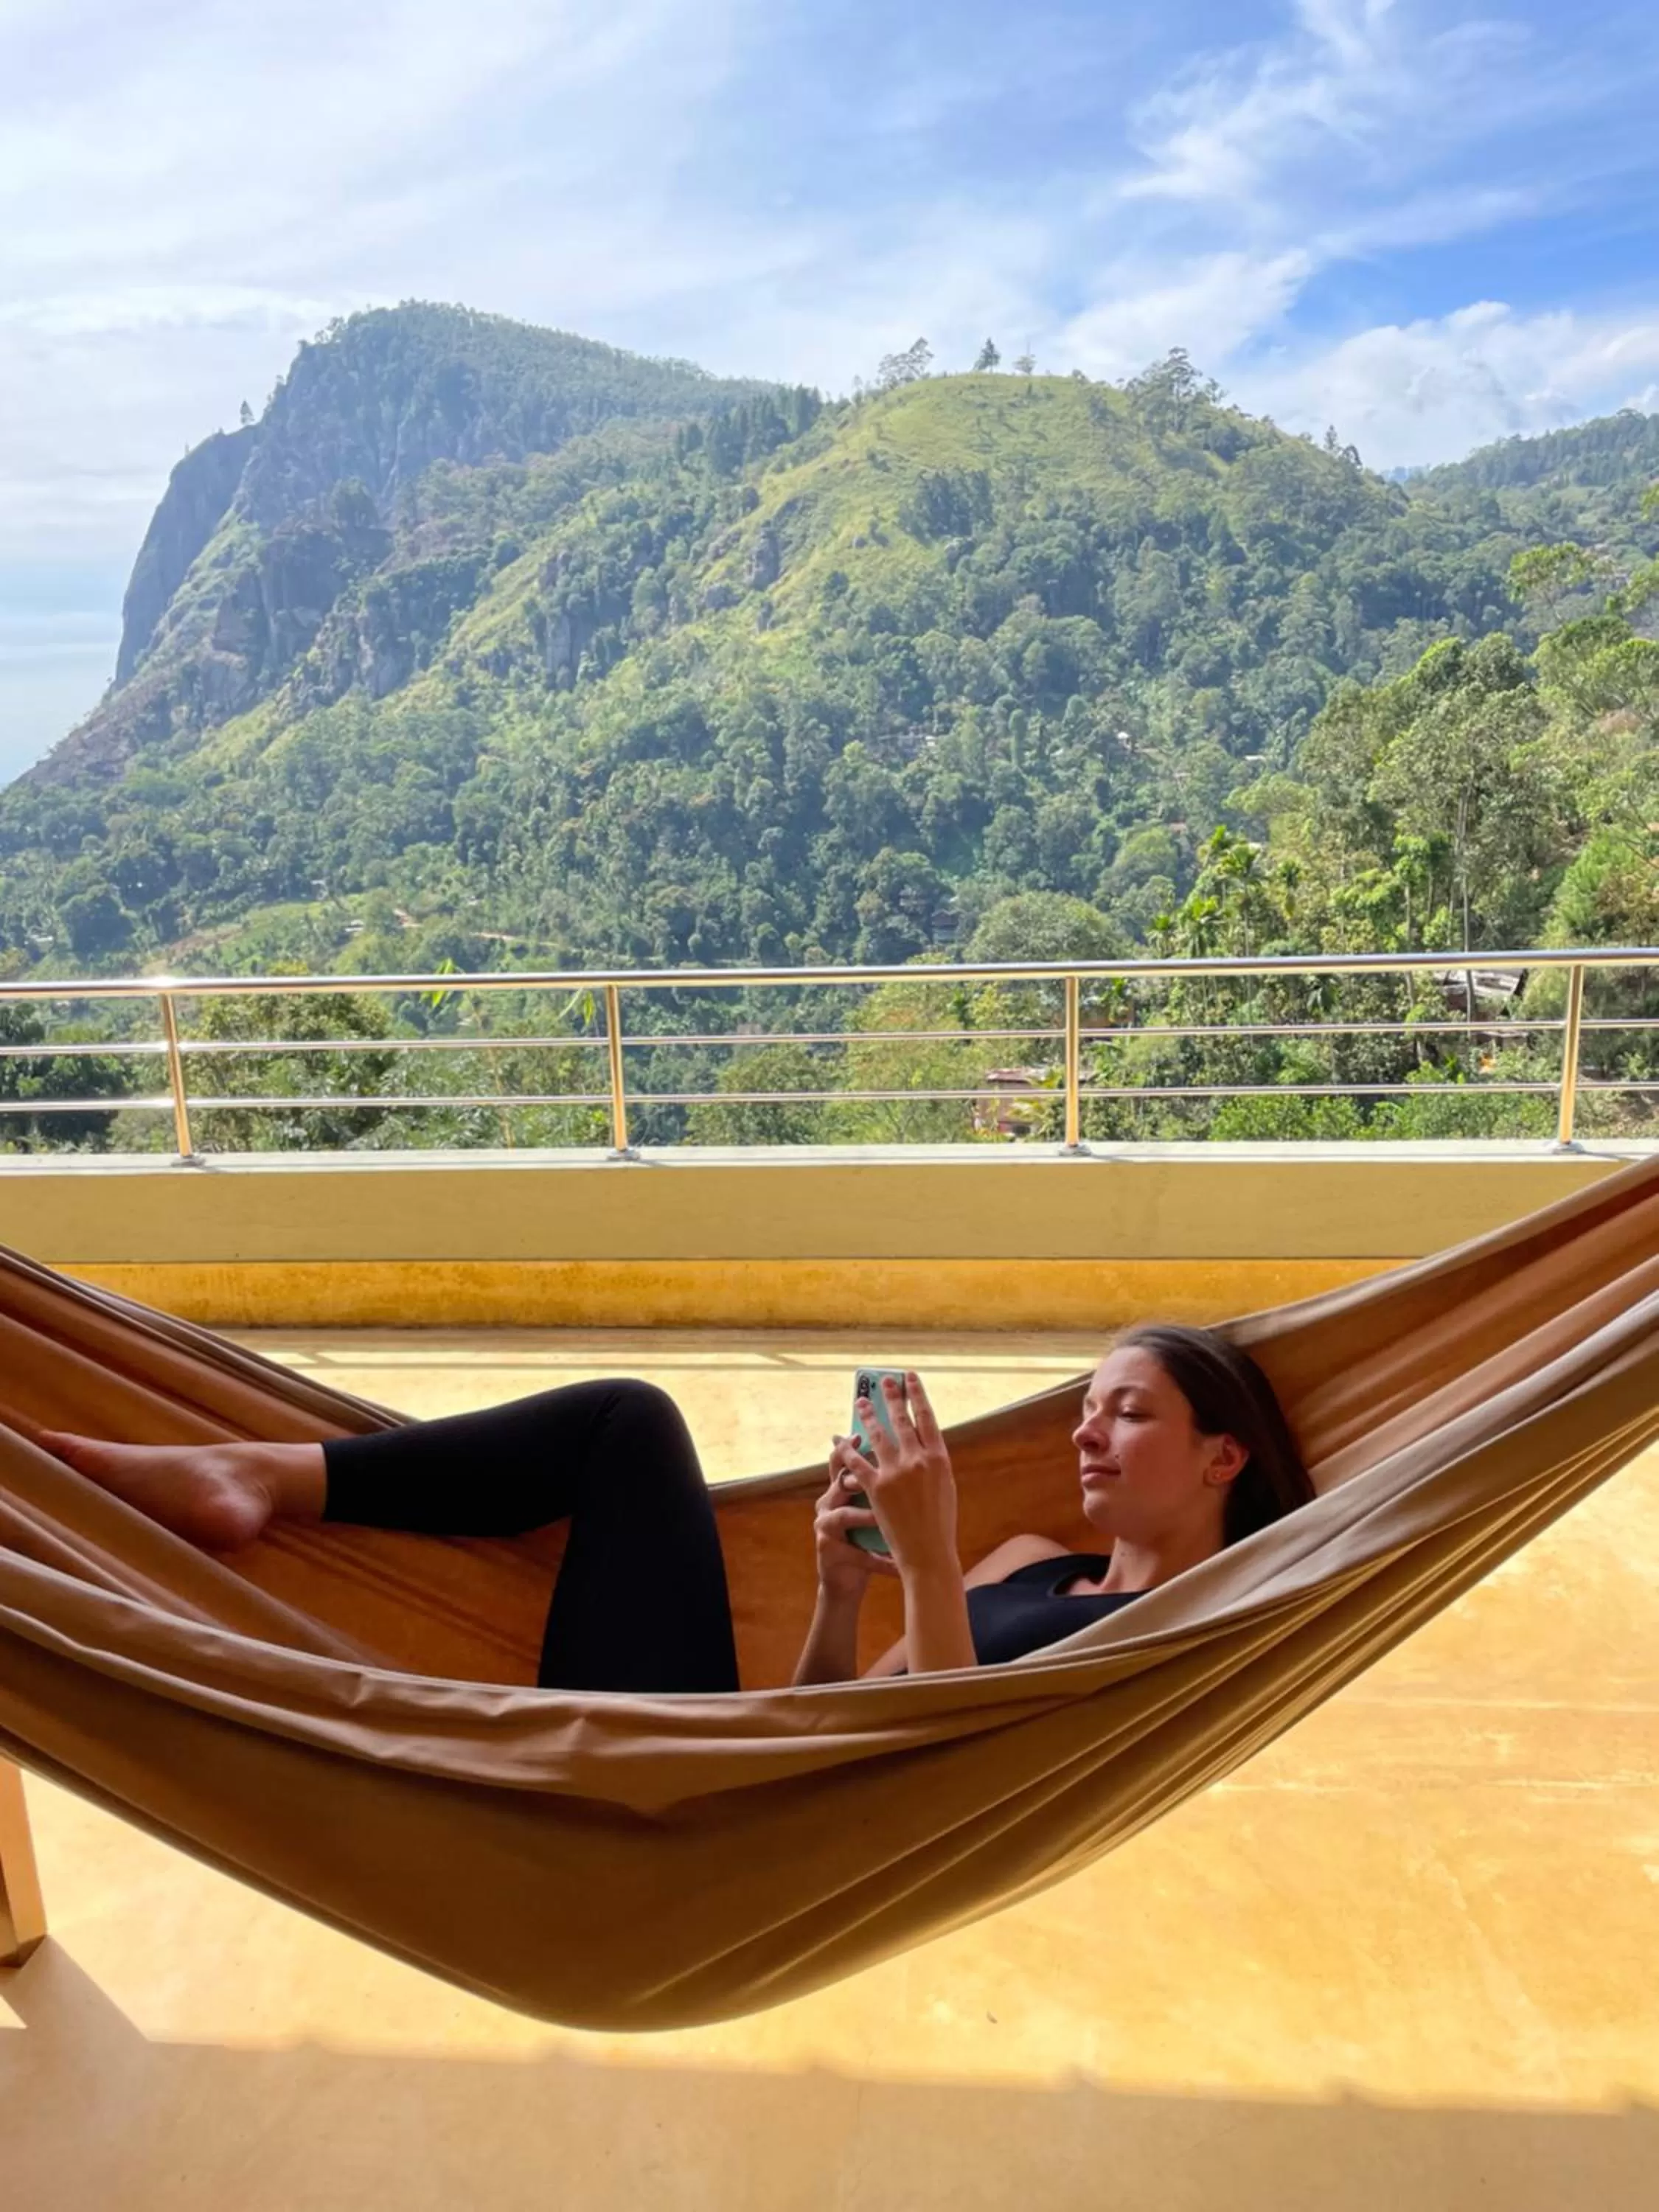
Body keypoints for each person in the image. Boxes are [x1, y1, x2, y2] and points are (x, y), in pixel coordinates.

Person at [37, 1325, 1312, 1695]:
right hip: (734, 1747)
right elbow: (829, 1715)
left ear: (1221, 1460)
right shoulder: (1037, 1557)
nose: (1085, 1430)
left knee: (626, 1425)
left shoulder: (1173, 1633)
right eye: (1087, 1406)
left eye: (1128, 1413)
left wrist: (927, 1564)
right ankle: (263, 1477)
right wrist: (841, 1588)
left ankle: (260, 1477)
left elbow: (930, 1755)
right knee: (621, 1430)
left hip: (714, 1822)